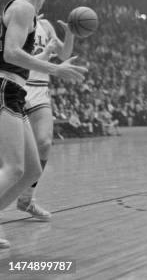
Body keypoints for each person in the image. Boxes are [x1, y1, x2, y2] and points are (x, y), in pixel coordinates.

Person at [0, 0, 86, 248]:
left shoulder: (28, 13)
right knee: (13, 167)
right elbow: (10, 52)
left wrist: (50, 56)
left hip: (17, 91)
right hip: (6, 87)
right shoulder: (24, 7)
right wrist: (52, 67)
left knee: (31, 170)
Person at [16, 15, 75, 221]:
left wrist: (69, 34)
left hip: (40, 89)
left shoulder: (46, 25)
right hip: (16, 86)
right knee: (11, 155)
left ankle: (26, 199)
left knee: (44, 142)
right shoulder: (15, 20)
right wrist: (45, 53)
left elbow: (64, 53)